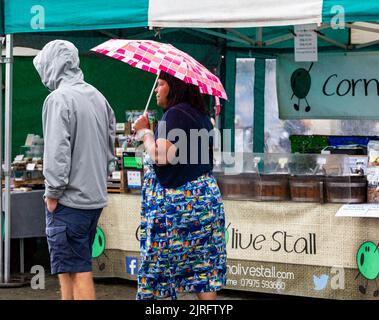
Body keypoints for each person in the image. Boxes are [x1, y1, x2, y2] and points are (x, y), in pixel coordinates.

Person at [133, 71, 227, 300]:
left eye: (161, 84)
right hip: (205, 202)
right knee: (203, 270)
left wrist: (145, 133)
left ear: (175, 88)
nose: (157, 89)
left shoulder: (175, 114)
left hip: (178, 209)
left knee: (160, 270)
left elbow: (162, 157)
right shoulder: (201, 116)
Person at [33, 40, 116, 300]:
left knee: (78, 271)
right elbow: (110, 149)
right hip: (93, 199)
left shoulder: (58, 99)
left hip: (69, 201)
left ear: (52, 65)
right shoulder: (98, 97)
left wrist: (52, 194)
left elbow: (57, 151)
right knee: (70, 269)